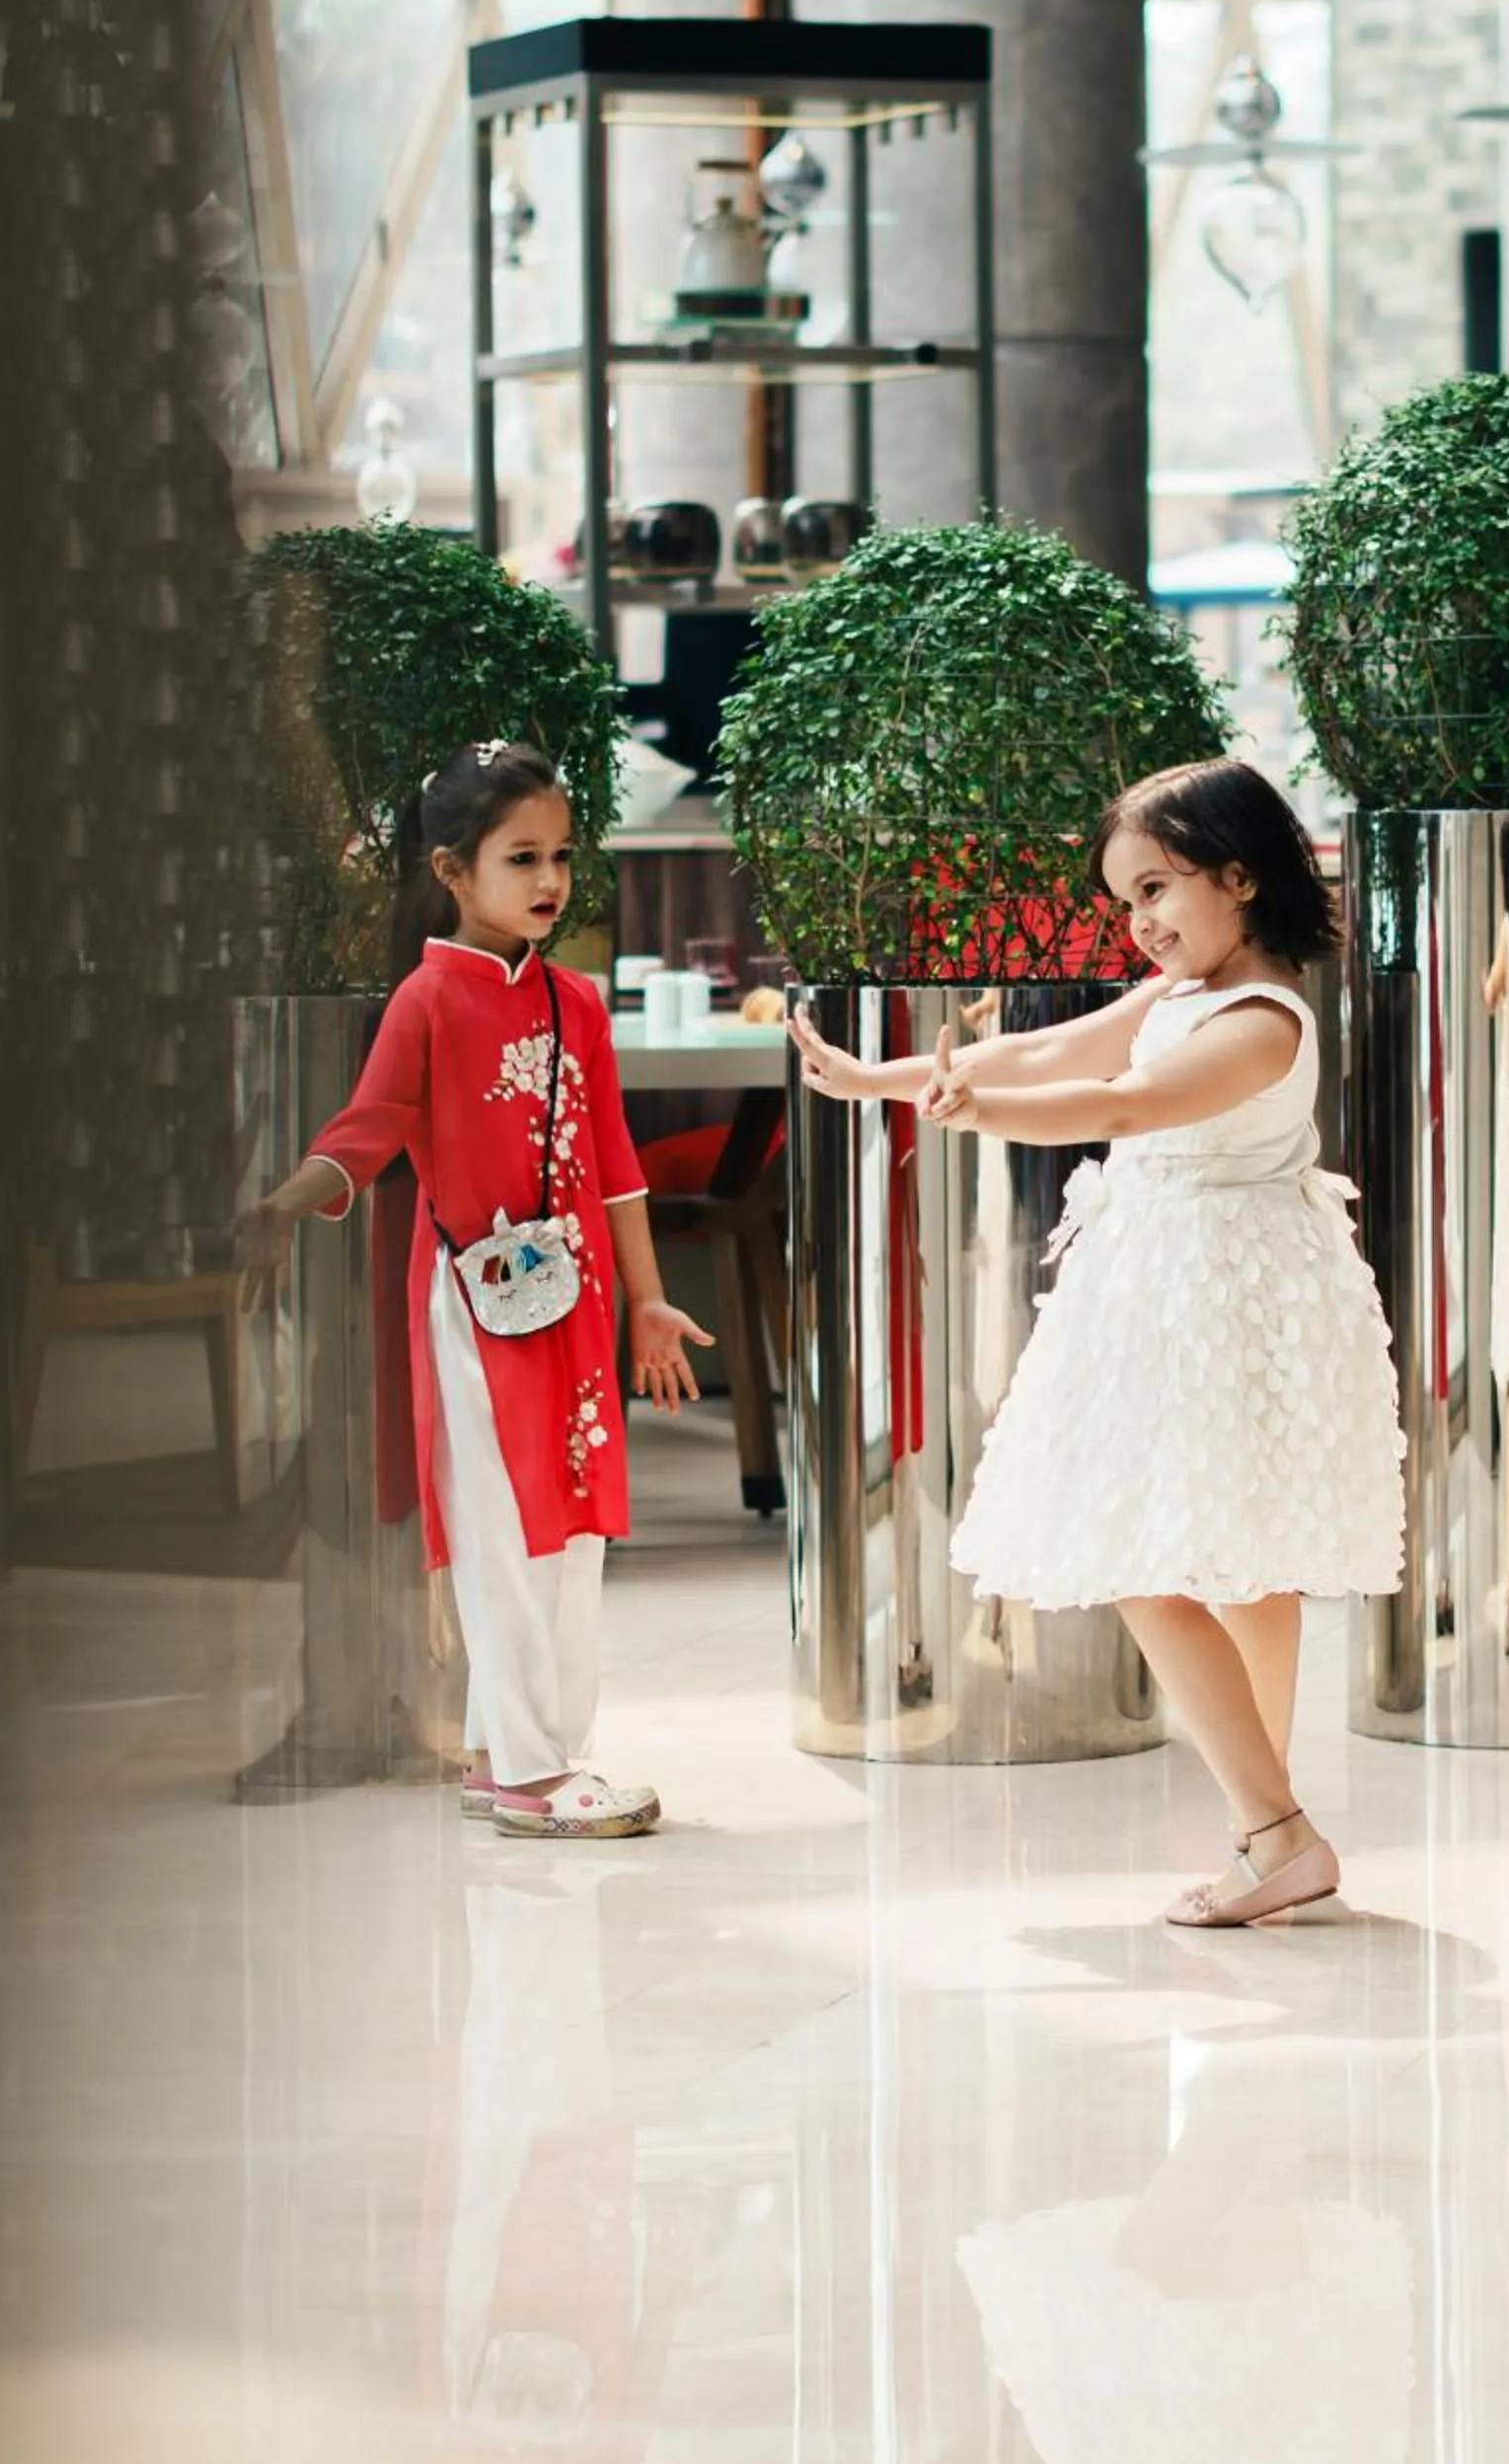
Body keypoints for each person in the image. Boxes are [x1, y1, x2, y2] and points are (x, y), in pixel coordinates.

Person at [789, 758, 1404, 1927]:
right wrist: (888, 1077)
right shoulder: (1177, 996)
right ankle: (1261, 1819)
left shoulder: (1261, 1019)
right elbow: (1046, 1053)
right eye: (1126, 900)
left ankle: (1277, 1832)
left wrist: (977, 1114)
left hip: (1224, 1306)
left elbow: (1122, 1105)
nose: (1141, 923)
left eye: (1159, 889)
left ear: (1242, 876)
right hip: (1163, 1295)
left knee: (1152, 1558)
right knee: (1227, 1562)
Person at [238, 741, 712, 1839]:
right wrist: (288, 1198)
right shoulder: (426, 999)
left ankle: (515, 1754)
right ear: (453, 872)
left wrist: (645, 1300)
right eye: (520, 858)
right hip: (472, 1301)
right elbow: (368, 1130)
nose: (550, 881)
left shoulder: (576, 1004)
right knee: (502, 1524)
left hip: (576, 1299)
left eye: (559, 856)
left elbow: (615, 1167)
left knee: (575, 1523)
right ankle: (533, 1776)